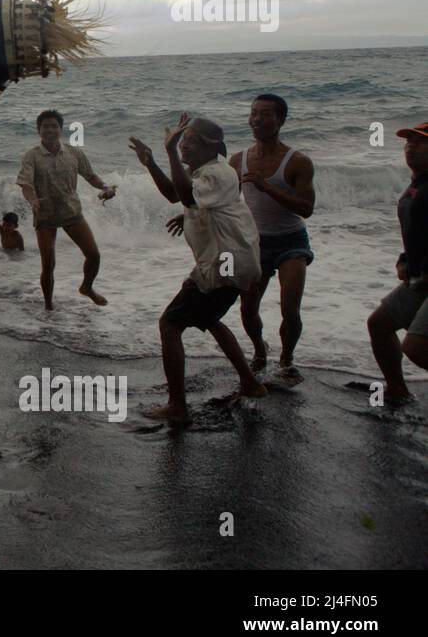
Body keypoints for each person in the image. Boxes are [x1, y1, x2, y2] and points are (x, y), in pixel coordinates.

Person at [128, 116, 267, 423]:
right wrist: (150, 162)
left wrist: (168, 152)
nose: (184, 145)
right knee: (210, 318)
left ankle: (178, 407)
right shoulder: (206, 173)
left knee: (170, 325)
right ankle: (250, 382)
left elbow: (188, 195)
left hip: (223, 265)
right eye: (183, 139)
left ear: (210, 146)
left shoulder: (218, 172)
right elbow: (175, 194)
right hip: (231, 262)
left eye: (189, 140)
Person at [228, 94, 316, 373]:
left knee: (290, 309)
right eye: (253, 113)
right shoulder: (238, 160)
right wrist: (192, 213)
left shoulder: (297, 161)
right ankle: (259, 350)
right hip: (256, 242)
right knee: (247, 309)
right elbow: (227, 202)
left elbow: (306, 208)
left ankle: (287, 357)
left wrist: (268, 188)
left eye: (265, 114)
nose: (257, 119)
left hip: (292, 241)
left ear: (280, 120)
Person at [17, 110, 117, 310]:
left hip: (71, 211)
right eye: (45, 126)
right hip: (44, 214)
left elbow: (90, 176)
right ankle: (48, 306)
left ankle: (87, 288)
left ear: (60, 129)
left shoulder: (74, 152)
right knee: (48, 265)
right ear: (39, 130)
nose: (50, 130)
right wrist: (32, 200)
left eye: (54, 126)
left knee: (94, 255)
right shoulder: (32, 155)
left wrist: (105, 187)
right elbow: (25, 185)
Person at [366, 121, 428, 402]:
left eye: (420, 142)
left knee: (415, 347)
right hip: (420, 278)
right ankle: (398, 390)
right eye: (408, 142)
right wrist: (405, 260)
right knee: (379, 324)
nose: (411, 147)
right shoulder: (418, 184)